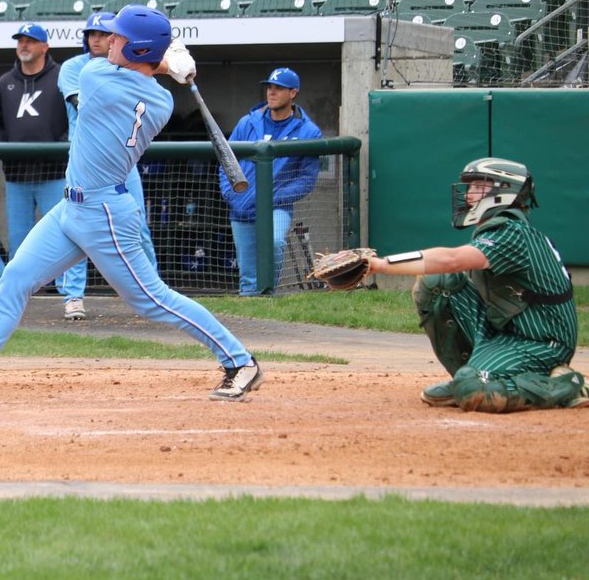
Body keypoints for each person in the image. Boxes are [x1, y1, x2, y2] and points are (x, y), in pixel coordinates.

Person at [0, 5, 262, 406]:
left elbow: (82, 69)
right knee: (16, 280)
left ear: (140, 49)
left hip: (105, 214)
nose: (108, 41)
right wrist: (166, 63)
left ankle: (240, 360)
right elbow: (135, 67)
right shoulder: (162, 100)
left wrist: (165, 59)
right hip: (70, 208)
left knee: (151, 300)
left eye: (118, 37)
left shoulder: (97, 78)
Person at [366, 158, 584, 413]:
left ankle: (567, 385)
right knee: (438, 284)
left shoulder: (511, 233)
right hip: (508, 332)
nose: (468, 194)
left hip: (543, 343)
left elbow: (451, 260)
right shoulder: (499, 230)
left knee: (474, 392)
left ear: (505, 191)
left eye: (479, 186)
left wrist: (380, 265)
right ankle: (470, 375)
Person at [0, 22, 87, 320]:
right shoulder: (5, 82)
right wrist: (3, 148)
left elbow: (75, 116)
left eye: (31, 40)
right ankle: (17, 301)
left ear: (45, 46)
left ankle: (73, 296)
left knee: (71, 233)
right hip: (18, 175)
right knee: (21, 240)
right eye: (20, 40)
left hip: (55, 172)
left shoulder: (61, 76)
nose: (24, 45)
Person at [58, 10, 159, 290]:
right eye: (93, 33)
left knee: (138, 226)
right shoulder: (75, 68)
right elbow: (86, 102)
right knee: (74, 226)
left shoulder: (131, 72)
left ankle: (151, 289)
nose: (98, 39)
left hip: (122, 161)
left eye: (104, 34)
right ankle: (73, 296)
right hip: (85, 162)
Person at [220, 67, 322, 296]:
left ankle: (268, 298)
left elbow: (306, 179)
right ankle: (252, 320)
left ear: (293, 92)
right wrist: (230, 193)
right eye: (269, 87)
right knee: (247, 275)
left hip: (277, 205)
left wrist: (272, 197)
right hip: (242, 204)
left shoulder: (308, 131)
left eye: (279, 88)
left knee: (274, 243)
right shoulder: (248, 122)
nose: (272, 92)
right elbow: (226, 159)